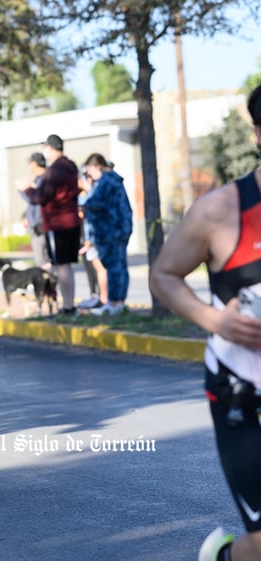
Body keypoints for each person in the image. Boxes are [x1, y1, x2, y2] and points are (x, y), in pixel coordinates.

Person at [150, 84, 261, 561]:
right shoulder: (221, 211)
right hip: (244, 390)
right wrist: (214, 319)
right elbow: (163, 275)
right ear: (258, 134)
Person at [20, 134, 82, 315]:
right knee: (67, 265)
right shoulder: (71, 166)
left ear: (51, 148)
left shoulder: (56, 169)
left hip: (58, 222)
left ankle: (68, 306)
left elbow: (42, 196)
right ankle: (69, 304)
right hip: (71, 220)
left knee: (61, 265)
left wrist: (27, 189)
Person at [82, 153, 133, 315]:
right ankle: (116, 303)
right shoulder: (112, 179)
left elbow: (92, 202)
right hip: (117, 229)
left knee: (115, 267)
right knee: (117, 266)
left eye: (89, 169)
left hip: (113, 230)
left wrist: (76, 199)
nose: (88, 174)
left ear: (97, 166)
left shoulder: (106, 180)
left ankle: (114, 304)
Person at [77, 172, 107, 310]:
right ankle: (95, 294)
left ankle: (104, 298)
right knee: (91, 267)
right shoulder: (82, 195)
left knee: (100, 268)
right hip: (85, 235)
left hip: (95, 236)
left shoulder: (94, 192)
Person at [18, 152, 50, 269]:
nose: (29, 166)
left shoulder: (45, 179)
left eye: (30, 163)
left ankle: (48, 286)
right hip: (37, 225)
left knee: (43, 261)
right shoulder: (38, 179)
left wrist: (23, 189)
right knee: (41, 259)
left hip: (41, 226)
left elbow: (35, 200)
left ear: (35, 164)